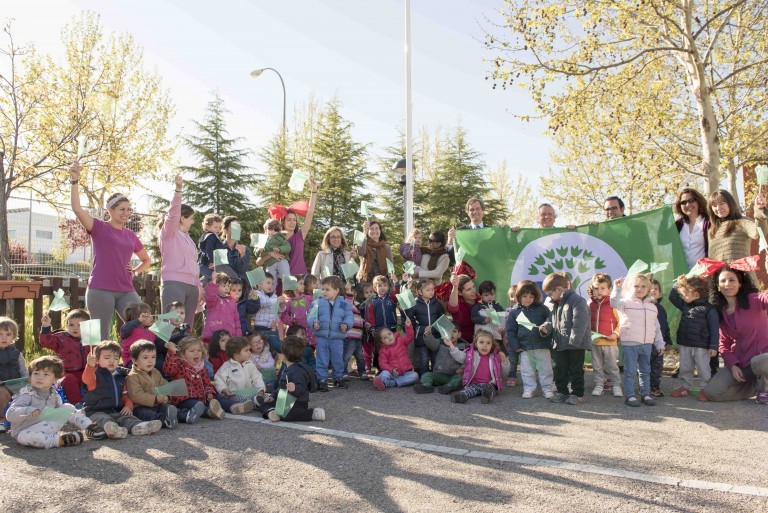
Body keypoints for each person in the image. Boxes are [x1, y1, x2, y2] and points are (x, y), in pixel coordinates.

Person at [69, 160, 151, 340]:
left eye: (129, 209)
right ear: (110, 210)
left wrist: (135, 271)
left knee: (143, 325)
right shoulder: (99, 227)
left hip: (126, 289)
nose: (126, 213)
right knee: (97, 338)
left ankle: (130, 357)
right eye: (122, 209)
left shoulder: (131, 235)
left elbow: (147, 260)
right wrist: (74, 181)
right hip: (100, 289)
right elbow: (77, 209)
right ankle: (91, 359)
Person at [701, 259, 768, 404]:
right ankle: (756, 388)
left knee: (759, 361)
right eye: (723, 281)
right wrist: (733, 365)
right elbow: (723, 344)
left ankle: (765, 388)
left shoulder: (754, 299)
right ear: (718, 287)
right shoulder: (721, 312)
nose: (727, 284)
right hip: (743, 363)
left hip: (764, 360)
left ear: (740, 284)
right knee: (713, 392)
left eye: (732, 280)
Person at [7, 355, 106, 448]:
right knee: (27, 437)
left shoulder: (54, 395)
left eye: (46, 374)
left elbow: (63, 413)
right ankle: (60, 440)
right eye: (36, 373)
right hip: (26, 430)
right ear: (30, 378)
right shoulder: (26, 394)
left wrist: (75, 413)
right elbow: (10, 413)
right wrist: (27, 410)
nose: (40, 377)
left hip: (47, 426)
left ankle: (89, 427)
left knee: (68, 407)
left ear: (55, 379)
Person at [83, 341, 163, 438]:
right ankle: (113, 430)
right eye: (107, 358)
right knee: (104, 419)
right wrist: (90, 366)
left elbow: (125, 395)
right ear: (96, 360)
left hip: (115, 410)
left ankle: (140, 426)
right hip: (95, 411)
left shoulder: (120, 376)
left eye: (116, 358)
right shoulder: (95, 374)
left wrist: (128, 406)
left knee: (127, 418)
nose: (112, 361)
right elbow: (87, 379)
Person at [610, 274, 665, 407]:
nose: (640, 289)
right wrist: (617, 288)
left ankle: (645, 394)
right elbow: (613, 302)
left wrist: (659, 343)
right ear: (629, 287)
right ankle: (630, 396)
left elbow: (656, 327)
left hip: (647, 344)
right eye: (636, 286)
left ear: (648, 289)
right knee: (630, 371)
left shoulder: (652, 307)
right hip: (630, 343)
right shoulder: (625, 303)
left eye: (643, 286)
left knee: (645, 370)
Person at [542, 273, 591, 405]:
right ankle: (562, 392)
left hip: (576, 345)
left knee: (576, 370)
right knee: (560, 369)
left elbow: (580, 323)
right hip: (559, 343)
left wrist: (574, 341)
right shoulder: (554, 304)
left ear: (558, 289)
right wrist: (546, 327)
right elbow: (550, 320)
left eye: (549, 293)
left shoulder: (578, 301)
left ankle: (578, 394)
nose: (549, 296)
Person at [157, 175, 199, 325]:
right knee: (168, 327)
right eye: (191, 218)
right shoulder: (169, 233)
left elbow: (194, 264)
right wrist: (179, 190)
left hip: (192, 286)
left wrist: (199, 287)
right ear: (182, 218)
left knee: (186, 329)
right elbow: (173, 213)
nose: (193, 222)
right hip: (174, 283)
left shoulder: (188, 238)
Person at [668, 276, 719, 400]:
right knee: (685, 367)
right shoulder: (686, 305)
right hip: (685, 343)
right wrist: (677, 284)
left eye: (685, 294)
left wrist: (713, 346)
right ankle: (685, 387)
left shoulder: (709, 310)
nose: (683, 297)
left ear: (696, 294)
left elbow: (714, 329)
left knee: (703, 368)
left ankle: (705, 389)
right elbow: (672, 297)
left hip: (702, 346)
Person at [257, 335, 324, 422]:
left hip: (297, 403)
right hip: (284, 400)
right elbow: (281, 387)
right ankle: (272, 412)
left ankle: (312, 413)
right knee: (264, 404)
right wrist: (273, 396)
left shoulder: (298, 371)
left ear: (284, 355)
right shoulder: (285, 368)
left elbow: (302, 388)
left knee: (287, 415)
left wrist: (295, 388)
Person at [707, 190, 767, 285]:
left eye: (722, 203)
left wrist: (759, 210)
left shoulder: (742, 222)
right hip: (723, 285)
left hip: (744, 281)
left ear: (730, 204)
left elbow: (758, 233)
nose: (718, 208)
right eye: (714, 205)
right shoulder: (712, 230)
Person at [506, 280, 554, 399]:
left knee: (545, 370)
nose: (528, 299)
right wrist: (516, 346)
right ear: (518, 296)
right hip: (525, 348)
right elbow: (511, 331)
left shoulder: (542, 309)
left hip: (542, 346)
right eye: (524, 296)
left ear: (536, 297)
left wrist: (546, 328)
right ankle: (529, 389)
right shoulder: (514, 312)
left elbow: (551, 321)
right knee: (527, 371)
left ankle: (547, 389)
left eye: (531, 296)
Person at [163, 336, 225, 420]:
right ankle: (210, 412)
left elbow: (207, 383)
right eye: (192, 351)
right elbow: (168, 370)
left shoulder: (202, 367)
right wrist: (173, 352)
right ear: (182, 354)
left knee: (218, 398)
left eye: (199, 350)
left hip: (202, 397)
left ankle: (232, 406)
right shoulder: (179, 364)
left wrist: (209, 393)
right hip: (184, 399)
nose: (196, 353)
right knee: (196, 404)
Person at [311, 275, 353, 392]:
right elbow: (311, 315)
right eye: (323, 289)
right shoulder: (317, 302)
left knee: (337, 358)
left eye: (327, 289)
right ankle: (322, 379)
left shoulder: (344, 304)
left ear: (336, 290)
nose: (324, 292)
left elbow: (349, 316)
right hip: (322, 337)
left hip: (337, 338)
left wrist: (346, 324)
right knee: (321, 359)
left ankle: (338, 378)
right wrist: (314, 323)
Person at [40, 309, 91, 405]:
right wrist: (46, 327)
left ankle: (96, 402)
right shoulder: (61, 338)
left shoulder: (89, 339)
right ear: (67, 325)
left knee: (96, 377)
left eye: (79, 325)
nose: (75, 328)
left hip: (85, 371)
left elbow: (98, 353)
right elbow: (46, 342)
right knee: (70, 380)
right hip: (65, 373)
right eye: (71, 325)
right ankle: (77, 404)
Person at [125, 340, 179, 429]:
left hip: (157, 405)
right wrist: (155, 399)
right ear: (135, 360)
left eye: (153, 357)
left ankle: (185, 415)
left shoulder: (155, 372)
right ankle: (165, 420)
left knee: (168, 408)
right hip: (140, 406)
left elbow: (164, 384)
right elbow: (136, 395)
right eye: (145, 358)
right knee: (146, 414)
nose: (150, 361)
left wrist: (166, 396)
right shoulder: (133, 376)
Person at [587, 274, 622, 397]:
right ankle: (599, 385)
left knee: (612, 366)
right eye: (596, 288)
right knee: (597, 366)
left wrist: (615, 334)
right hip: (595, 341)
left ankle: (616, 385)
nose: (599, 291)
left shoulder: (613, 304)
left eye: (603, 288)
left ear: (610, 290)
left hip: (610, 342)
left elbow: (622, 322)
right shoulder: (589, 304)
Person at [448, 331, 505, 404]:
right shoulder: (471, 355)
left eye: (488, 343)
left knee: (490, 389)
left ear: (492, 345)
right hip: (474, 384)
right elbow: (459, 356)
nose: (485, 345)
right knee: (468, 391)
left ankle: (487, 396)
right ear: (476, 344)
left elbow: (504, 372)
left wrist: (504, 362)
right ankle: (461, 396)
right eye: (481, 342)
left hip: (489, 384)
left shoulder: (495, 357)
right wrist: (451, 346)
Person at [277, 177, 318, 276]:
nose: (292, 222)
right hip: (281, 279)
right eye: (289, 220)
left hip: (300, 278)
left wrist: (314, 190)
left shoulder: (300, 235)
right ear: (283, 222)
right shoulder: (277, 238)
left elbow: (310, 212)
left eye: (294, 220)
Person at [214, 336, 265, 414]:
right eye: (246, 350)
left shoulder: (250, 364)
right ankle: (248, 405)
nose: (249, 352)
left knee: (264, 396)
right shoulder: (227, 366)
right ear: (236, 354)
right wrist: (223, 389)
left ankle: (251, 403)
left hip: (250, 393)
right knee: (223, 398)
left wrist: (261, 389)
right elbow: (219, 379)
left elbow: (257, 377)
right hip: (234, 394)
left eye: (249, 350)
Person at [405, 278, 445, 375]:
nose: (431, 292)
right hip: (422, 337)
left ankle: (436, 376)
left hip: (435, 337)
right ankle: (424, 376)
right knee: (424, 358)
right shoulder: (414, 304)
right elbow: (411, 322)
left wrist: (441, 332)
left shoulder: (437, 304)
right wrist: (422, 329)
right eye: (428, 290)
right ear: (420, 292)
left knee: (435, 357)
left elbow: (442, 319)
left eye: (432, 289)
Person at [414, 328, 469, 394]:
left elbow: (468, 361)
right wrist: (428, 334)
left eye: (454, 331)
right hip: (439, 374)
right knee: (427, 375)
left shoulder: (464, 346)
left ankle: (448, 387)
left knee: (460, 379)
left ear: (459, 334)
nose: (451, 333)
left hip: (453, 375)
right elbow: (432, 343)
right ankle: (426, 386)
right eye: (449, 331)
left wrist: (462, 369)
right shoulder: (441, 343)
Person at [373, 317, 418, 391]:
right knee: (384, 373)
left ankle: (391, 383)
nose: (389, 337)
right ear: (381, 342)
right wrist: (391, 370)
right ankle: (382, 381)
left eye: (389, 334)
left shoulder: (401, 340)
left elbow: (410, 336)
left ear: (392, 333)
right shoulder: (383, 350)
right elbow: (382, 364)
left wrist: (408, 326)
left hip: (405, 373)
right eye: (385, 338)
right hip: (392, 374)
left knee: (415, 376)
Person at [281, 274, 316, 365]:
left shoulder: (308, 298)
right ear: (293, 285)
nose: (304, 286)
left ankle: (309, 370)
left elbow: (316, 307)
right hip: (295, 334)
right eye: (301, 283)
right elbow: (283, 317)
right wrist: (291, 320)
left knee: (309, 353)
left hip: (309, 332)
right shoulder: (287, 302)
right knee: (297, 354)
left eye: (303, 283)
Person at [674, 188, 711, 270]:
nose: (688, 205)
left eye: (691, 200)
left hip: (703, 272)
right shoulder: (677, 225)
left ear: (698, 202)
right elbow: (661, 241)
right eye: (683, 202)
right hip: (683, 273)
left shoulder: (709, 222)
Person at [0, 317, 27, 429]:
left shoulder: (17, 353)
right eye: (0, 334)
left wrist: (26, 379)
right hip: (2, 385)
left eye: (8, 334)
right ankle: (1, 420)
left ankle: (25, 417)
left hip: (16, 384)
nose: (4, 337)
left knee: (29, 392)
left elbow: (23, 370)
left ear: (14, 336)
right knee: (2, 393)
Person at [251, 272, 286, 354]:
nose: (270, 285)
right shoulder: (257, 294)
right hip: (261, 328)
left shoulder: (274, 296)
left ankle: (273, 360)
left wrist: (281, 306)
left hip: (272, 328)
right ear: (259, 284)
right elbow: (263, 303)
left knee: (273, 350)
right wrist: (276, 300)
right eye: (268, 283)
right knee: (261, 350)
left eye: (272, 284)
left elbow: (279, 310)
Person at [649, 279, 673, 397]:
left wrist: (667, 340)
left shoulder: (661, 309)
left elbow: (665, 326)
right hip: (646, 343)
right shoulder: (643, 308)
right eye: (650, 288)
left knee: (657, 367)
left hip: (659, 344)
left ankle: (655, 387)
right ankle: (644, 387)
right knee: (644, 367)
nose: (653, 290)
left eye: (656, 289)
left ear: (659, 293)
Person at [203, 272, 242, 342]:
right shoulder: (214, 300)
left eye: (228, 286)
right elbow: (210, 296)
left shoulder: (232, 302)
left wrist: (238, 337)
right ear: (217, 286)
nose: (227, 288)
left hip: (229, 337)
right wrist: (214, 282)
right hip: (213, 336)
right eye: (224, 286)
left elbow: (236, 321)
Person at [254, 219, 292, 287]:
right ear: (265, 228)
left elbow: (288, 247)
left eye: (276, 230)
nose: (273, 231)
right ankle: (270, 293)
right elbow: (255, 252)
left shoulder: (280, 238)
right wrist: (259, 250)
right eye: (270, 229)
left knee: (286, 277)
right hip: (270, 263)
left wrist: (280, 249)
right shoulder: (261, 239)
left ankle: (289, 291)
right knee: (270, 281)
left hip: (281, 260)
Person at [342, 280, 367, 380]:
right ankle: (343, 372)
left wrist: (365, 322)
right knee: (346, 356)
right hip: (350, 336)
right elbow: (348, 301)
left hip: (358, 336)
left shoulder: (355, 306)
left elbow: (358, 318)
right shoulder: (344, 303)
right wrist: (348, 290)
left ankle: (362, 372)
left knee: (360, 356)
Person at [156, 302, 189, 376]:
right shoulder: (164, 328)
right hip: (167, 356)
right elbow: (157, 343)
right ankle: (165, 376)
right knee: (159, 363)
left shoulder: (185, 328)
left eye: (182, 313)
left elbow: (189, 341)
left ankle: (208, 375)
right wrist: (166, 344)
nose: (179, 315)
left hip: (182, 356)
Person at [447, 274, 477, 343]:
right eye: (469, 289)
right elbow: (452, 308)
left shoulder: (479, 300)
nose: (473, 291)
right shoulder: (459, 304)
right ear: (460, 293)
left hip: (481, 342)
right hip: (463, 343)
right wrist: (455, 286)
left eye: (473, 287)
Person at [511, 203, 577, 231]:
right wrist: (514, 235)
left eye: (550, 214)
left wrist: (574, 232)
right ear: (537, 218)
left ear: (554, 218)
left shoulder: (563, 234)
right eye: (543, 214)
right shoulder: (528, 237)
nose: (546, 216)